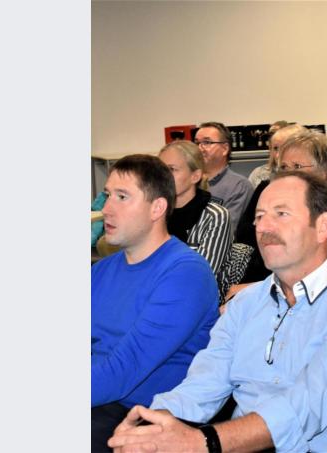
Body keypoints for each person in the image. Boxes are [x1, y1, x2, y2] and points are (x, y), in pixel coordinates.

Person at [108, 172, 327, 453]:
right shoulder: (246, 304)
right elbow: (203, 384)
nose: (264, 227)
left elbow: (311, 404)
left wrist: (204, 442)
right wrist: (148, 425)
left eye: (281, 214)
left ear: (323, 226)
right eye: (259, 216)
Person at [92, 154, 219, 452]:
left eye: (122, 197)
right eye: (107, 195)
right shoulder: (101, 270)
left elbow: (123, 371)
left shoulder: (186, 273)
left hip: (146, 413)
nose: (106, 209)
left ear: (157, 208)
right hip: (100, 397)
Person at [230, 129, 327, 300]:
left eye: (297, 166)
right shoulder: (270, 221)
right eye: (283, 167)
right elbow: (245, 283)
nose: (287, 174)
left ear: (324, 173)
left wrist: (260, 289)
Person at [158, 140, 232, 276]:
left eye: (172, 169)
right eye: (161, 170)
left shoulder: (215, 216)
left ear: (195, 176)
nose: (163, 176)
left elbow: (202, 273)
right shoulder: (155, 213)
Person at [194, 121, 253, 235]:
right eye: (196, 143)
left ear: (225, 149)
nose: (199, 148)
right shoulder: (188, 183)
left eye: (207, 142)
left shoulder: (239, 186)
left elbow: (227, 230)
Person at [247, 120, 291, 187]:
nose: (278, 154)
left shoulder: (300, 174)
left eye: (283, 147)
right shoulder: (258, 175)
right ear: (270, 148)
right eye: (275, 148)